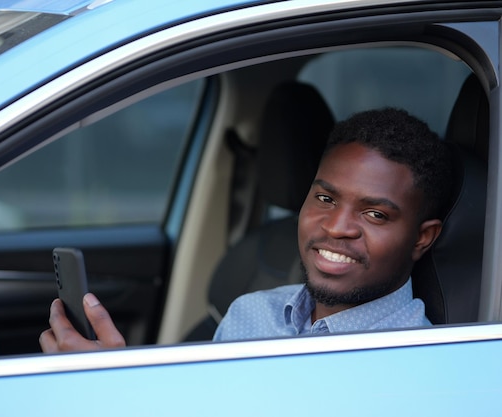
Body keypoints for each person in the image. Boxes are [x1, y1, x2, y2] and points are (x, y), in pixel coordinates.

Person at [39, 107, 453, 353]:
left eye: (375, 214)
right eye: (325, 199)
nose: (336, 227)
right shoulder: (252, 313)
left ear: (422, 237)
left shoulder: (416, 362)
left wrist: (118, 393)